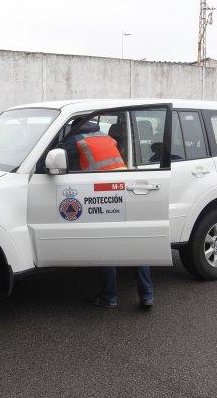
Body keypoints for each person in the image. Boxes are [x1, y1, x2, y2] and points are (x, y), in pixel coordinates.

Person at [61, 118, 154, 310]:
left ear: (74, 127)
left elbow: (65, 170)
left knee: (108, 246)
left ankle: (109, 297)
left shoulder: (74, 141)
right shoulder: (106, 137)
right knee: (137, 245)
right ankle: (147, 296)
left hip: (104, 195)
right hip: (126, 189)